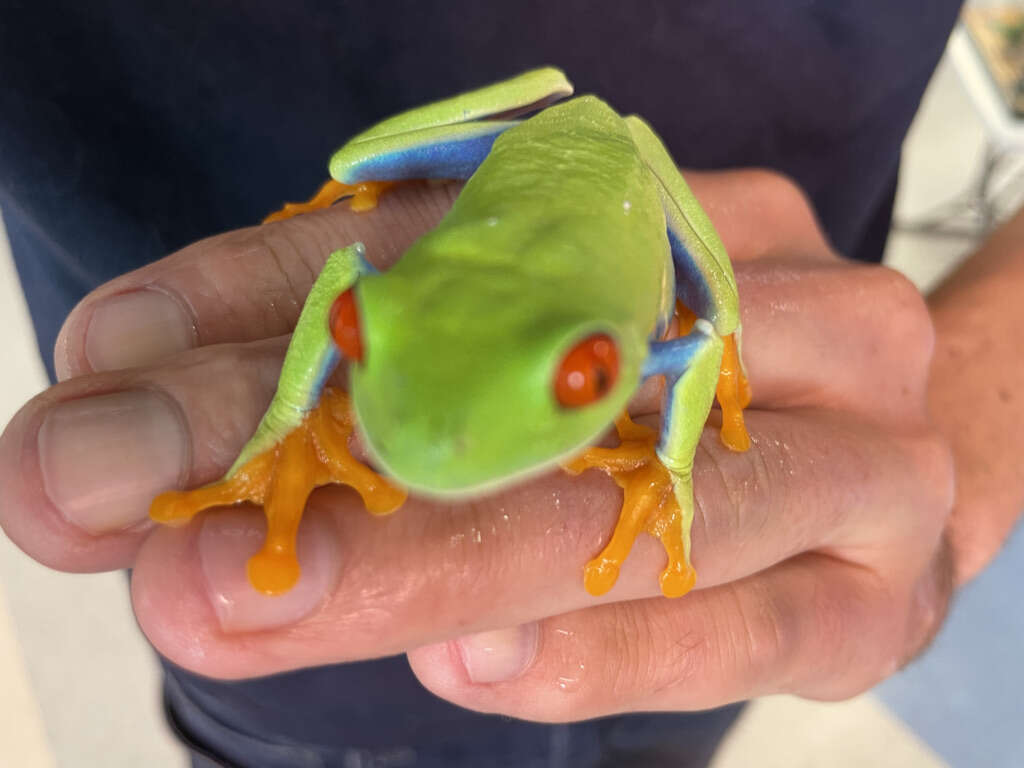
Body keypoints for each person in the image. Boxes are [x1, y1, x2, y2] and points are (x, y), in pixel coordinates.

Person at [3, 3, 1021, 767]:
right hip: (289, 703)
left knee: (716, 315)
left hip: (695, 654)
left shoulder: (644, 345)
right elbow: (349, 275)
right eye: (361, 334)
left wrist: (964, 426)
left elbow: (696, 350)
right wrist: (290, 411)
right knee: (360, 167)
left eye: (587, 374)